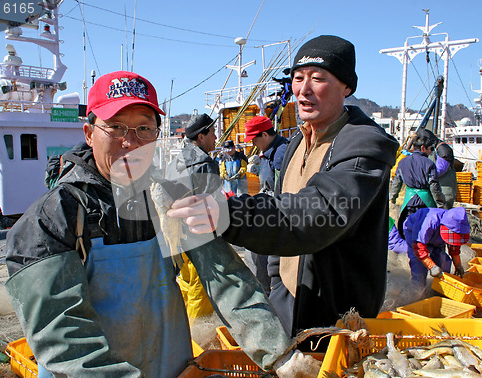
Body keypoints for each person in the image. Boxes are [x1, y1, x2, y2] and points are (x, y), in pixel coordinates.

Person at [4, 71, 316, 378]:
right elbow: (65, 337)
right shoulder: (52, 220)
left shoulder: (171, 196)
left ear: (157, 135)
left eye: (144, 128)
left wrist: (278, 353)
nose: (131, 142)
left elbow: (225, 277)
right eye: (116, 127)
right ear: (88, 132)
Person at [168, 35, 400, 345]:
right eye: (297, 78)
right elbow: (280, 202)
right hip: (289, 299)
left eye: (318, 79)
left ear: (346, 87)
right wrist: (276, 285)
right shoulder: (295, 144)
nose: (303, 89)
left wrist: (229, 215)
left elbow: (320, 212)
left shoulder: (364, 144)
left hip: (338, 314)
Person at [165, 113, 220, 320]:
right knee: (201, 289)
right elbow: (213, 207)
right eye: (213, 133)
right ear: (201, 137)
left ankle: (184, 329)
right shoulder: (205, 163)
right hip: (200, 238)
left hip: (178, 238)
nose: (216, 138)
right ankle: (198, 336)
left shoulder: (175, 162)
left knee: (186, 284)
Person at [243, 116, 288, 294]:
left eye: (254, 139)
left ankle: (267, 293)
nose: (253, 143)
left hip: (276, 212)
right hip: (267, 205)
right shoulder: (270, 152)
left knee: (258, 251)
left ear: (264, 135)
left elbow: (282, 192)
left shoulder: (280, 154)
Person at [390, 134, 446, 236]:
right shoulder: (429, 164)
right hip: (426, 202)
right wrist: (440, 203)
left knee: (408, 231)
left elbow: (396, 182)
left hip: (408, 201)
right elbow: (434, 186)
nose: (431, 152)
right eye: (430, 149)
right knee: (426, 232)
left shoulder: (403, 162)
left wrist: (392, 198)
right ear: (423, 148)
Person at [403, 207, 469, 285]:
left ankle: (441, 286)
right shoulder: (430, 222)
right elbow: (418, 247)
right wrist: (431, 266)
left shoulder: (455, 224)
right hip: (416, 233)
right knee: (418, 264)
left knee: (441, 258)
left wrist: (458, 266)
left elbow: (454, 248)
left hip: (436, 236)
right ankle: (418, 288)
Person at [244, 115, 288, 195]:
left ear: (265, 135)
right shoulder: (268, 152)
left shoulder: (280, 156)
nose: (254, 145)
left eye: (255, 141)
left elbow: (281, 193)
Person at [416, 128, 457, 208]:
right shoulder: (435, 149)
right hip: (436, 190)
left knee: (443, 214)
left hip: (444, 190)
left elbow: (439, 170)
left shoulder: (443, 150)